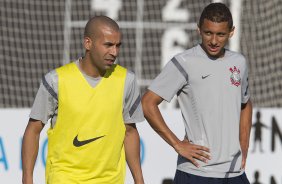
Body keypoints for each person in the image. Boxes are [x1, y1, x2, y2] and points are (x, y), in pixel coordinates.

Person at [22, 15, 145, 184]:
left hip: (110, 180)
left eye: (118, 46)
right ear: (88, 43)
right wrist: (27, 178)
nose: (114, 52)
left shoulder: (127, 80)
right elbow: (33, 130)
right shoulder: (56, 80)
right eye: (108, 45)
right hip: (64, 178)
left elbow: (130, 132)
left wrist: (139, 180)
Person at [142, 3, 252, 184]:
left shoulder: (239, 62)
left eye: (221, 34)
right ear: (198, 30)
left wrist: (244, 147)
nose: (214, 41)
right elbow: (147, 103)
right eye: (208, 33)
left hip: (234, 173)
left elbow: (246, 103)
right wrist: (177, 145)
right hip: (196, 172)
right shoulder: (184, 62)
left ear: (231, 32)